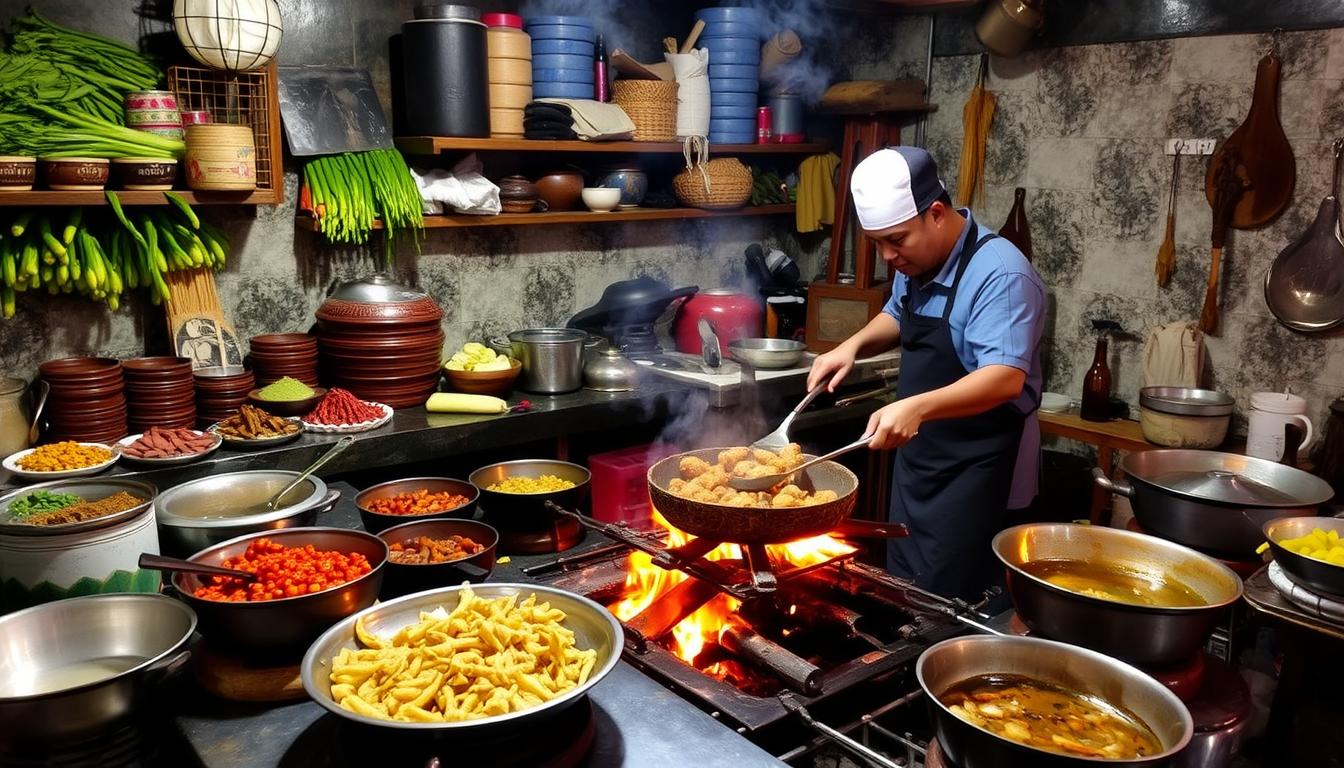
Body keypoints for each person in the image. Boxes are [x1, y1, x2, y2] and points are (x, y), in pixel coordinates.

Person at [807, 147, 1046, 601]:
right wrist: (851, 346)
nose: (887, 256)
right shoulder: (917, 259)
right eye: (876, 243)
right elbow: (899, 313)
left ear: (935, 213)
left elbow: (1004, 377)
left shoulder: (1001, 274)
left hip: (979, 467)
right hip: (923, 457)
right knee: (907, 591)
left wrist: (916, 407)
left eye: (895, 240)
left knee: (955, 602)